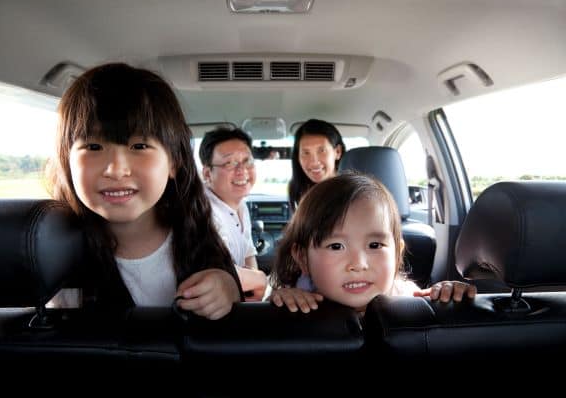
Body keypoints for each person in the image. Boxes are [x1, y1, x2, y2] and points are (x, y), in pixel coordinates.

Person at [46, 63, 242, 320]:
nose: (116, 170)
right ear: (66, 161)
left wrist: (228, 288)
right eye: (93, 146)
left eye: (139, 145)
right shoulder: (55, 254)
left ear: (174, 162)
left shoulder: (198, 237)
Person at [270, 173, 476, 313]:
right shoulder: (299, 299)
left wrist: (448, 296)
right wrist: (281, 302)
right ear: (302, 258)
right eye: (336, 246)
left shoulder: (408, 298)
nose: (359, 264)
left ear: (397, 255)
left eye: (375, 245)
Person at [199, 127, 267, 301]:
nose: (242, 170)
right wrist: (261, 281)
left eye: (247, 161)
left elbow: (248, 255)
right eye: (229, 163)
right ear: (207, 174)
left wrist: (258, 299)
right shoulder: (203, 213)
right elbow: (219, 275)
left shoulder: (240, 205)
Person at [288, 119, 346, 211]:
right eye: (306, 152)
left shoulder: (351, 195)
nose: (314, 162)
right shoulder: (300, 191)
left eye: (322, 151)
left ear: (337, 152)